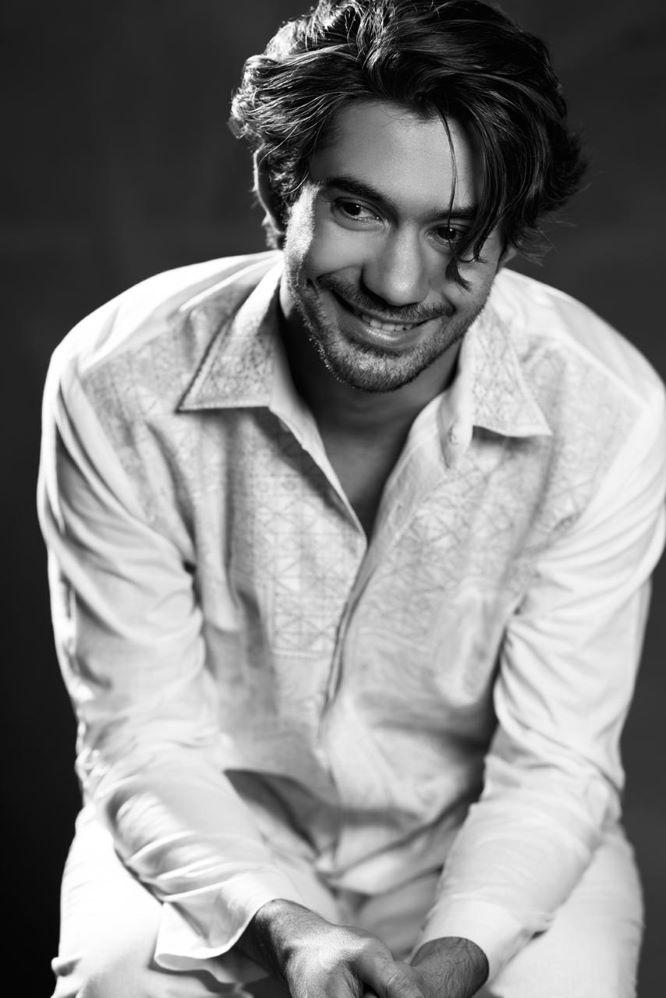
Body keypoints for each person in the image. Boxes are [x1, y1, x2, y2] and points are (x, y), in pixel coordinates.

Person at [38, 1, 665, 996]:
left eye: (456, 232)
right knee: (121, 978)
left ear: (508, 240)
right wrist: (282, 926)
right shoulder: (119, 378)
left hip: (477, 839)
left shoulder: (609, 412)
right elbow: (143, 735)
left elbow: (554, 765)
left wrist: (452, 959)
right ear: (278, 187)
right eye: (358, 210)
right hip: (222, 819)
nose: (400, 283)